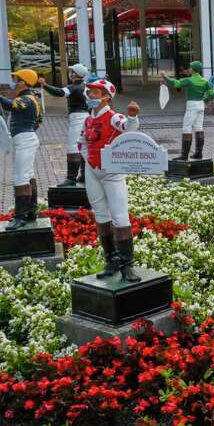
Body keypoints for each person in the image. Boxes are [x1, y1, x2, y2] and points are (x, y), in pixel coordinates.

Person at [78, 78, 142, 282]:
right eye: (89, 92)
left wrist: (132, 116)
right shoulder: (87, 119)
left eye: (95, 93)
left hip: (112, 172)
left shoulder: (113, 117)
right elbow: (82, 142)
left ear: (106, 97)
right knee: (100, 215)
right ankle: (111, 260)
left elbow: (128, 128)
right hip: (92, 170)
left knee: (120, 217)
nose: (90, 95)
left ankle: (127, 265)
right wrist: (89, 160)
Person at [0, 69, 44, 231]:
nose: (14, 83)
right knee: (28, 175)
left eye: (17, 80)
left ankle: (20, 217)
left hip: (24, 140)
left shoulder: (25, 99)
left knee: (20, 177)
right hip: (26, 138)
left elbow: (12, 106)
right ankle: (31, 211)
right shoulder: (34, 97)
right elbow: (39, 121)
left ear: (24, 83)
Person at [39, 63, 90, 187]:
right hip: (87, 116)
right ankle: (84, 175)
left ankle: (71, 178)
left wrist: (45, 85)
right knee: (84, 146)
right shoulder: (86, 86)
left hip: (77, 118)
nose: (70, 74)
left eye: (72, 72)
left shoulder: (73, 87)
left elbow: (60, 92)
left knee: (73, 146)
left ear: (76, 74)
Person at [161, 61, 212, 160]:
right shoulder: (205, 81)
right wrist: (204, 100)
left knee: (187, 128)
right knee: (199, 128)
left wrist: (164, 76)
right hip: (201, 104)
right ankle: (198, 153)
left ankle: (184, 155)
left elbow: (175, 83)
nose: (189, 69)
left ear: (193, 70)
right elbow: (212, 93)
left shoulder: (189, 80)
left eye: (190, 67)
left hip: (192, 105)